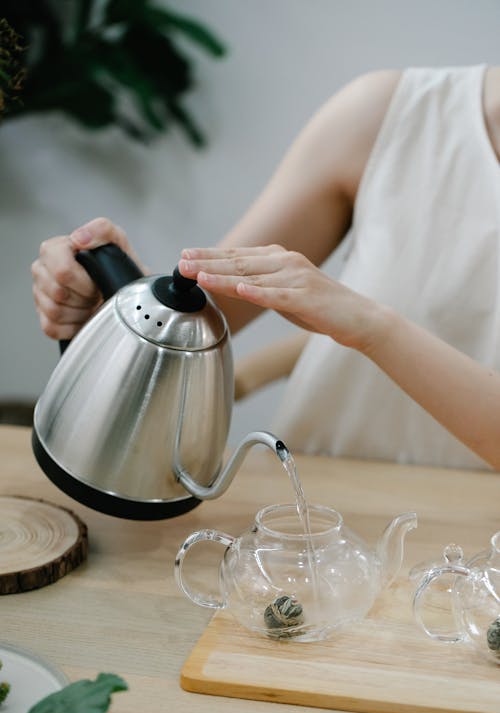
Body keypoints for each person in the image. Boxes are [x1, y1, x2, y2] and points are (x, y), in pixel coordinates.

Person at [32, 65, 500, 471]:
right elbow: (207, 306)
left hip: (478, 547)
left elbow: (385, 324)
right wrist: (107, 307)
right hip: (308, 518)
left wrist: (374, 326)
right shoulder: (389, 116)